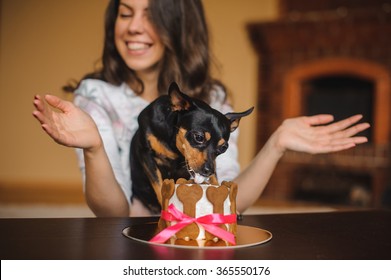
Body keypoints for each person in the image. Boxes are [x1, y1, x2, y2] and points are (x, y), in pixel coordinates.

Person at [32, 0, 370, 217]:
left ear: (178, 25)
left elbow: (227, 201)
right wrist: (93, 148)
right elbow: (114, 214)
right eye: (125, 13)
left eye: (152, 15)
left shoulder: (213, 99)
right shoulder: (95, 97)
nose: (134, 26)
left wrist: (276, 144)